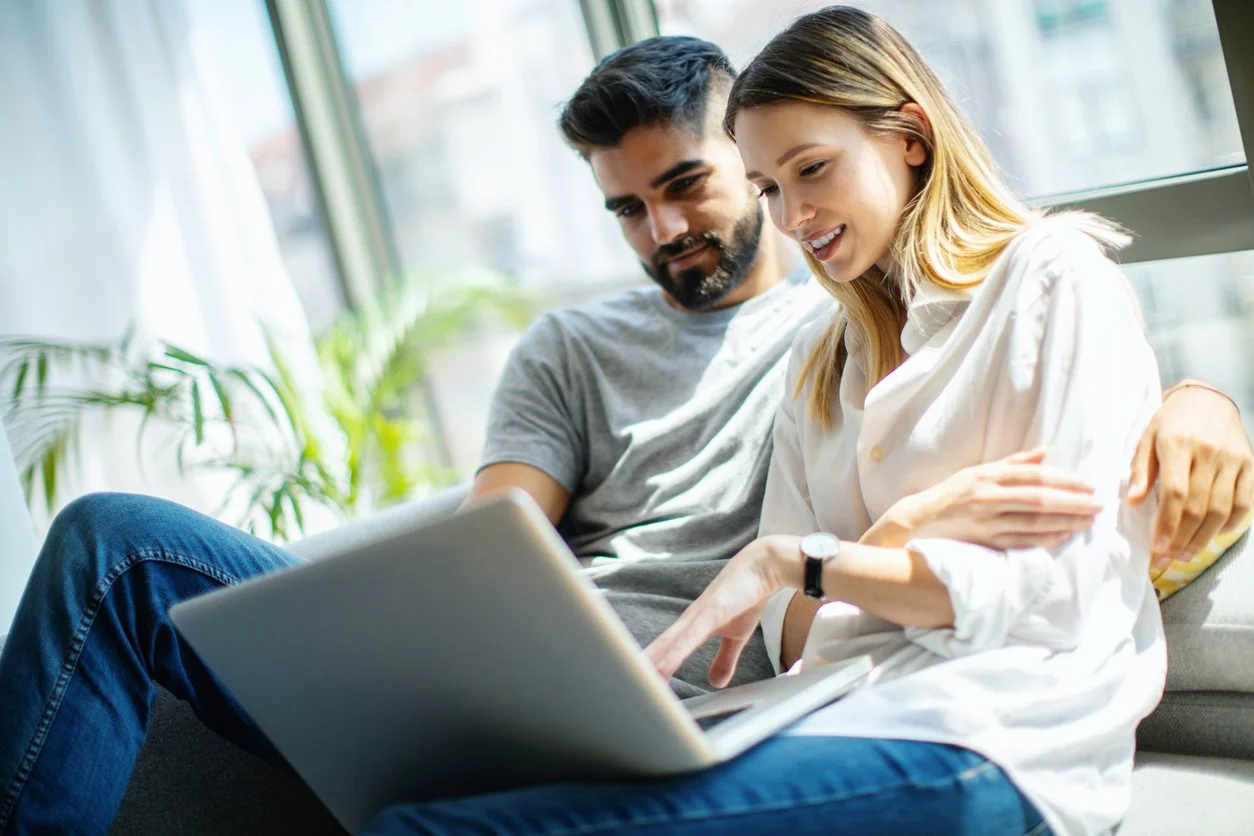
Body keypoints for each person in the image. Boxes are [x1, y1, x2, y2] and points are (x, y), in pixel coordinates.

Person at [0, 29, 1247, 836]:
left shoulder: (869, 326)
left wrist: (1208, 399)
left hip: (728, 696)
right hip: (544, 666)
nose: (669, 230)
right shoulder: (693, 352)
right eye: (628, 209)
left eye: (698, 185)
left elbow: (1069, 469)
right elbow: (497, 544)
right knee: (115, 538)